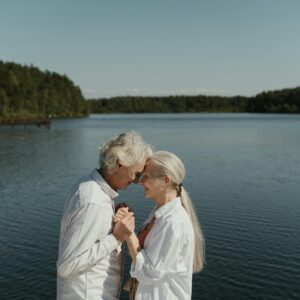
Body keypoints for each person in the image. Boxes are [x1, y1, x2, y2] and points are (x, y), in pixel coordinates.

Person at [56, 132, 152, 300]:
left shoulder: (89, 186)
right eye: (136, 174)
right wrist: (115, 238)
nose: (137, 181)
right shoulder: (93, 202)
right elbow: (66, 266)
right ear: (119, 164)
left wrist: (113, 218)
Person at [115, 151, 205, 300]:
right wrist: (127, 220)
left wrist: (129, 234)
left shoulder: (173, 223)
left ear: (166, 180)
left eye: (146, 177)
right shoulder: (158, 213)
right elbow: (145, 251)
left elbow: (147, 273)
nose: (140, 181)